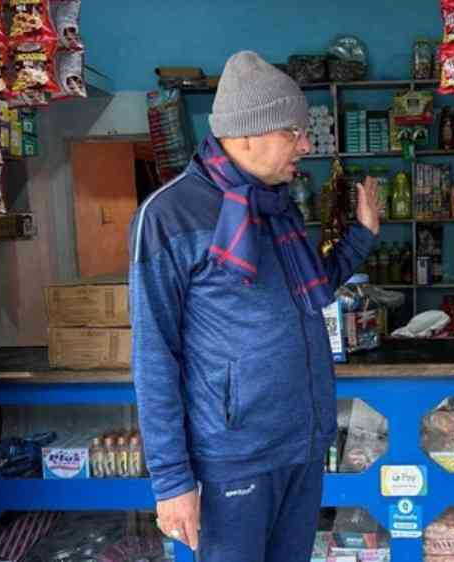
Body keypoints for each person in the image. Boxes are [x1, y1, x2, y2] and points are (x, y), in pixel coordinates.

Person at [128, 50, 379, 562]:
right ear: (245, 134)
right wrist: (172, 481)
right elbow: (154, 355)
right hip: (233, 458)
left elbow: (310, 289)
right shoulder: (168, 215)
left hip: (301, 445)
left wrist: (362, 237)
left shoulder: (277, 206)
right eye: (293, 132)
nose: (306, 145)